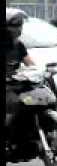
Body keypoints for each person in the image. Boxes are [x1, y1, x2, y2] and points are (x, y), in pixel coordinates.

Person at [5, 9, 35, 140]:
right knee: (14, 104)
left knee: (37, 98)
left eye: (20, 25)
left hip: (17, 84)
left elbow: (30, 63)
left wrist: (37, 72)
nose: (18, 29)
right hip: (7, 87)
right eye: (14, 26)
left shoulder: (18, 45)